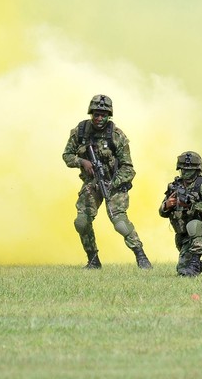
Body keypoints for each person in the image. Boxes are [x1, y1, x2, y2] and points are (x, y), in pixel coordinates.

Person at [62, 94, 151, 269]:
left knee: (119, 223)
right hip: (92, 183)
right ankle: (93, 259)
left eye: (103, 114)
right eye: (96, 114)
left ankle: (141, 256)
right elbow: (67, 155)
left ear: (109, 115)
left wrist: (114, 182)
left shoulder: (117, 136)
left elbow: (128, 168)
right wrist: (82, 162)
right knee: (82, 221)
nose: (99, 118)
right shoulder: (80, 132)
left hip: (114, 183)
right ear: (91, 113)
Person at [159, 151, 202, 277]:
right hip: (185, 236)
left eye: (190, 170)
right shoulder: (175, 186)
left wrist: (191, 204)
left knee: (194, 225)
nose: (186, 172)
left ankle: (195, 263)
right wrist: (167, 205)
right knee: (183, 272)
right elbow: (161, 212)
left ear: (197, 170)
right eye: (183, 169)